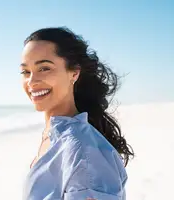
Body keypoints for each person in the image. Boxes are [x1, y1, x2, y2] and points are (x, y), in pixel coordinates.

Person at [20, 27, 134, 200]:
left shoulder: (82, 152)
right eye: (26, 72)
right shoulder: (55, 134)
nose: (32, 81)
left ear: (74, 72)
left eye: (44, 68)